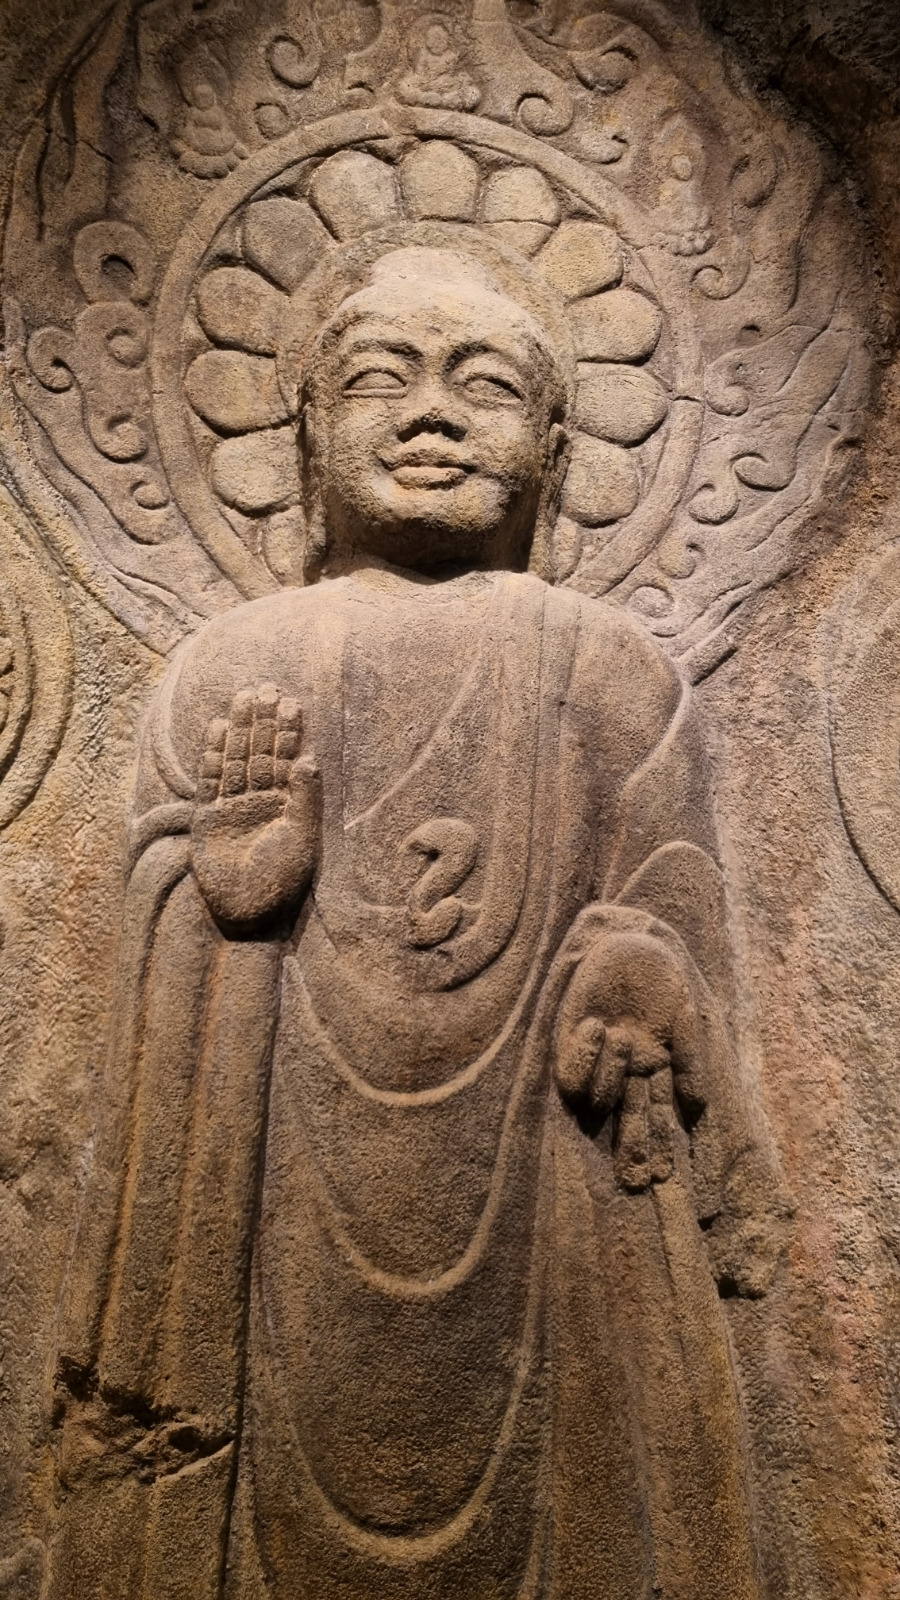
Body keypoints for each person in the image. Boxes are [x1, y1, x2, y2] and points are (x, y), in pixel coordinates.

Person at [43, 246, 782, 1599]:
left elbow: (676, 908)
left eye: (483, 385)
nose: (430, 412)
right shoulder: (233, 664)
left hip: (556, 1202)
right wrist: (222, 898)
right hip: (275, 1204)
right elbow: (150, 956)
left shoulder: (613, 671)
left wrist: (636, 968)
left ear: (553, 448)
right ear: (307, 435)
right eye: (381, 378)